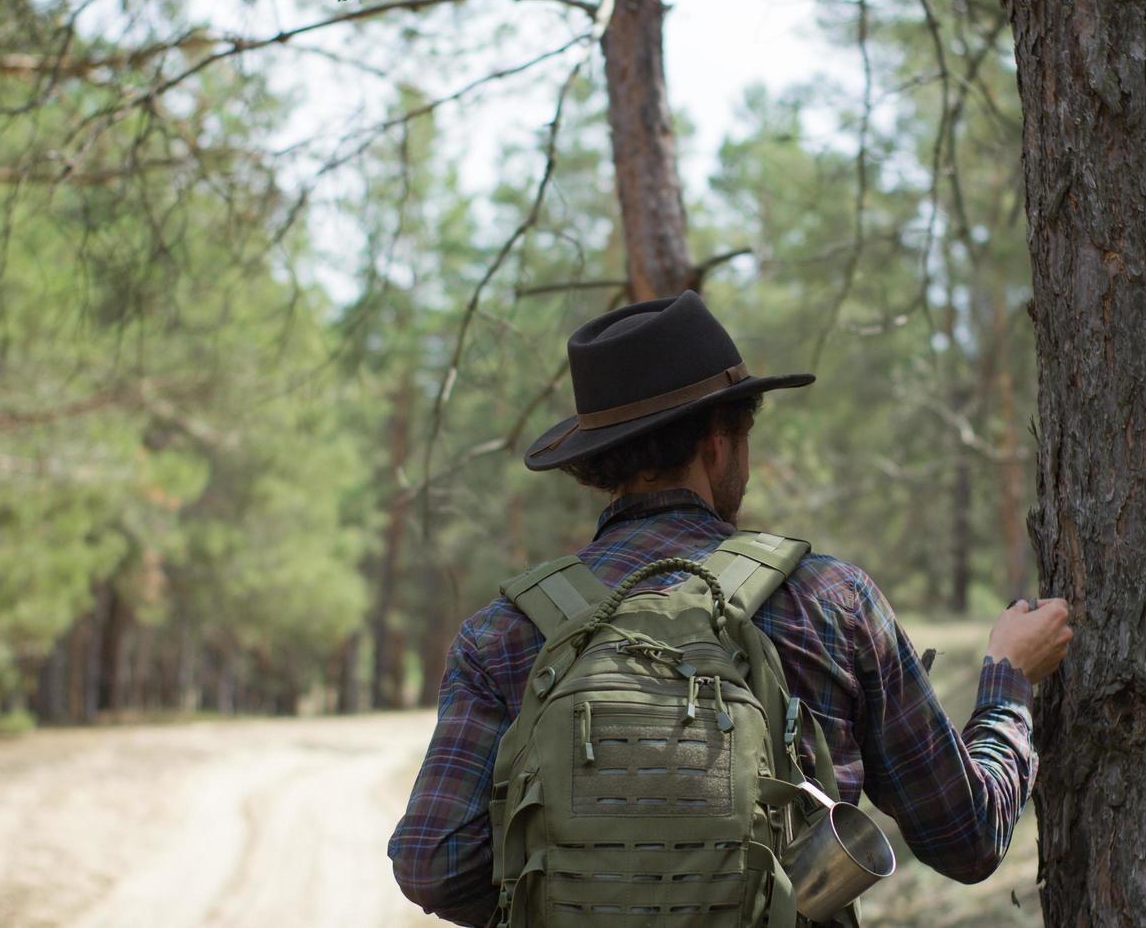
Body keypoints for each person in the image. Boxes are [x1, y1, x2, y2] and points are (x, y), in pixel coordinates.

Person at [388, 290, 1073, 925]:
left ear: (598, 460)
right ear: (717, 439)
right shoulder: (829, 601)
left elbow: (434, 864)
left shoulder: (504, 633)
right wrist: (1008, 680)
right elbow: (966, 836)